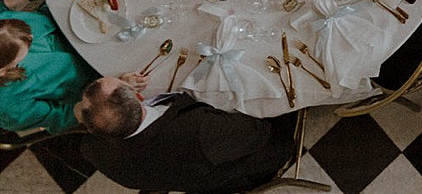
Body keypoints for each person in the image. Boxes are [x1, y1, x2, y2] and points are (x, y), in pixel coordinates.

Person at [76, 74, 296, 194]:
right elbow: (259, 132)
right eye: (121, 80)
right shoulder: (199, 130)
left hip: (176, 175)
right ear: (140, 98)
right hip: (251, 165)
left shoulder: (92, 149)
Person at [0, 5, 97, 134]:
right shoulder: (9, 109)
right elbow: (61, 117)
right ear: (3, 71)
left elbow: (42, 18)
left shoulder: (6, 29)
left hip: (78, 23)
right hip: (93, 76)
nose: (32, 36)